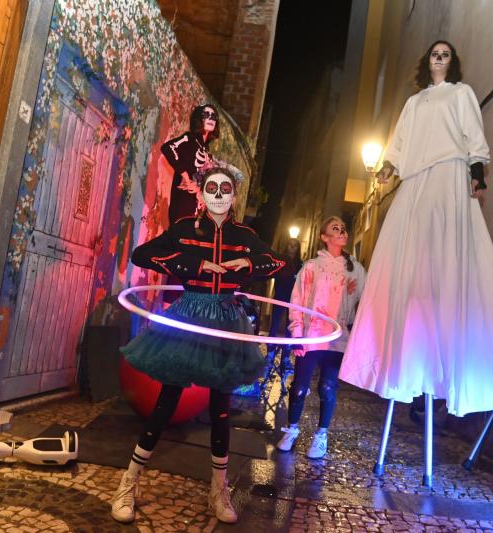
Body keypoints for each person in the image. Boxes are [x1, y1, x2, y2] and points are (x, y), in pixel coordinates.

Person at [339, 41, 493, 418]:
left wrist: (476, 173)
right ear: (426, 61)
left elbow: (473, 136)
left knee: (448, 250)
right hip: (416, 182)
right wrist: (387, 168)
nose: (440, 58)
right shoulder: (414, 103)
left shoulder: (461, 93)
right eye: (435, 53)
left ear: (453, 62)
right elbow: (398, 144)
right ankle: (406, 355)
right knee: (409, 257)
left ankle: (449, 348)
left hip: (449, 173)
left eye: (446, 54)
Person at [112, 165, 291, 525]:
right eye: (212, 187)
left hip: (226, 319)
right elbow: (142, 255)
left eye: (226, 188)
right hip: (190, 315)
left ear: (234, 195)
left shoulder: (244, 234)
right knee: (166, 402)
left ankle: (219, 487)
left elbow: (280, 264)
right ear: (201, 192)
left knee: (221, 408)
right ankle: (128, 481)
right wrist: (197, 264)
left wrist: (248, 262)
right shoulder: (184, 229)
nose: (220, 194)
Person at [277, 216, 366, 459]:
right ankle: (292, 429)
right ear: (324, 237)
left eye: (343, 227)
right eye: (335, 228)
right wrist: (296, 333)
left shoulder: (356, 270)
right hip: (310, 336)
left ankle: (321, 434)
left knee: (327, 386)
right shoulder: (311, 267)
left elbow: (365, 302)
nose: (341, 231)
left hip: (337, 339)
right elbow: (298, 300)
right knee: (299, 387)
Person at [161, 104, 219, 225]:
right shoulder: (190, 138)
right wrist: (186, 177)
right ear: (199, 118)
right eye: (206, 115)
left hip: (196, 210)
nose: (211, 118)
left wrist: (199, 189)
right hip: (182, 204)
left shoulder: (207, 152)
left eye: (214, 116)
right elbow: (167, 148)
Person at [267, 238, 303, 372]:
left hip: (293, 300)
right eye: (290, 245)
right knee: (274, 325)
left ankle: (286, 357)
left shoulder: (301, 265)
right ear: (286, 246)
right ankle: (270, 354)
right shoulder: (280, 262)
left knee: (290, 328)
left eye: (295, 246)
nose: (292, 248)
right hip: (279, 297)